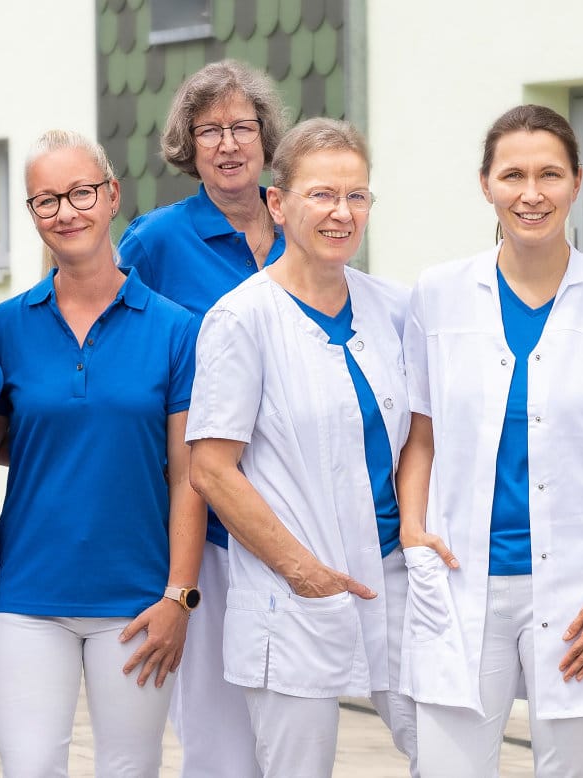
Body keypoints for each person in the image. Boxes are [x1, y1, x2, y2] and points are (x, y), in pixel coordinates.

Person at [398, 104, 583, 777]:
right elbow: (421, 437)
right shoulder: (439, 295)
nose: (532, 193)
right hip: (461, 577)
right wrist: (414, 529)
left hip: (580, 586)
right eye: (513, 175)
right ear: (485, 184)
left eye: (550, 174)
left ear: (577, 181)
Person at [187, 117, 414, 777]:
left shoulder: (394, 308)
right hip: (292, 593)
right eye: (322, 194)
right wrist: (303, 571)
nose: (341, 212)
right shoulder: (241, 319)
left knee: (447, 747)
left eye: (356, 195)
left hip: (394, 575)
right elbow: (211, 469)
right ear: (278, 204)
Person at [0, 130, 204, 777]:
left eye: (80, 192)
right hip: (27, 595)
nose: (66, 212)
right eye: (45, 200)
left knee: (130, 770)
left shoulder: (174, 329)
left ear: (111, 196)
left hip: (137, 603)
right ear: (32, 214)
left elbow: (191, 474)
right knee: (29, 769)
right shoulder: (4, 326)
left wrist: (178, 598)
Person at [116, 60, 289, 777]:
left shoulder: (298, 225)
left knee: (286, 725)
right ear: (188, 144)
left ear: (263, 136)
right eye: (208, 129)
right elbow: (110, 334)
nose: (227, 144)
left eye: (240, 127)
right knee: (216, 740)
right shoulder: (155, 241)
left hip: (292, 512)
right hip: (203, 523)